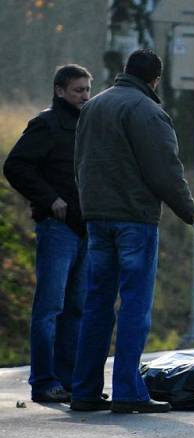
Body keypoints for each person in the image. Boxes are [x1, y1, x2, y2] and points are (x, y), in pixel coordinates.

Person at [70, 49, 194, 413]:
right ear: (155, 80)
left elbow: (79, 162)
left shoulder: (93, 107)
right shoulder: (148, 112)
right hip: (134, 219)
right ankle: (128, 390)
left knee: (97, 303)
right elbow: (165, 172)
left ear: (125, 71)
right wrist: (192, 216)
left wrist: (88, 205)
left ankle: (83, 389)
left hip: (96, 217)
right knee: (134, 306)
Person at [3, 64, 93, 404]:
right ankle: (43, 381)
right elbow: (15, 166)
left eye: (87, 89)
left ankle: (67, 380)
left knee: (76, 308)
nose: (85, 96)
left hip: (85, 229)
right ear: (59, 91)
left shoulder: (88, 124)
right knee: (49, 308)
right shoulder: (46, 124)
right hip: (57, 229)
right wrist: (49, 199)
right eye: (78, 90)